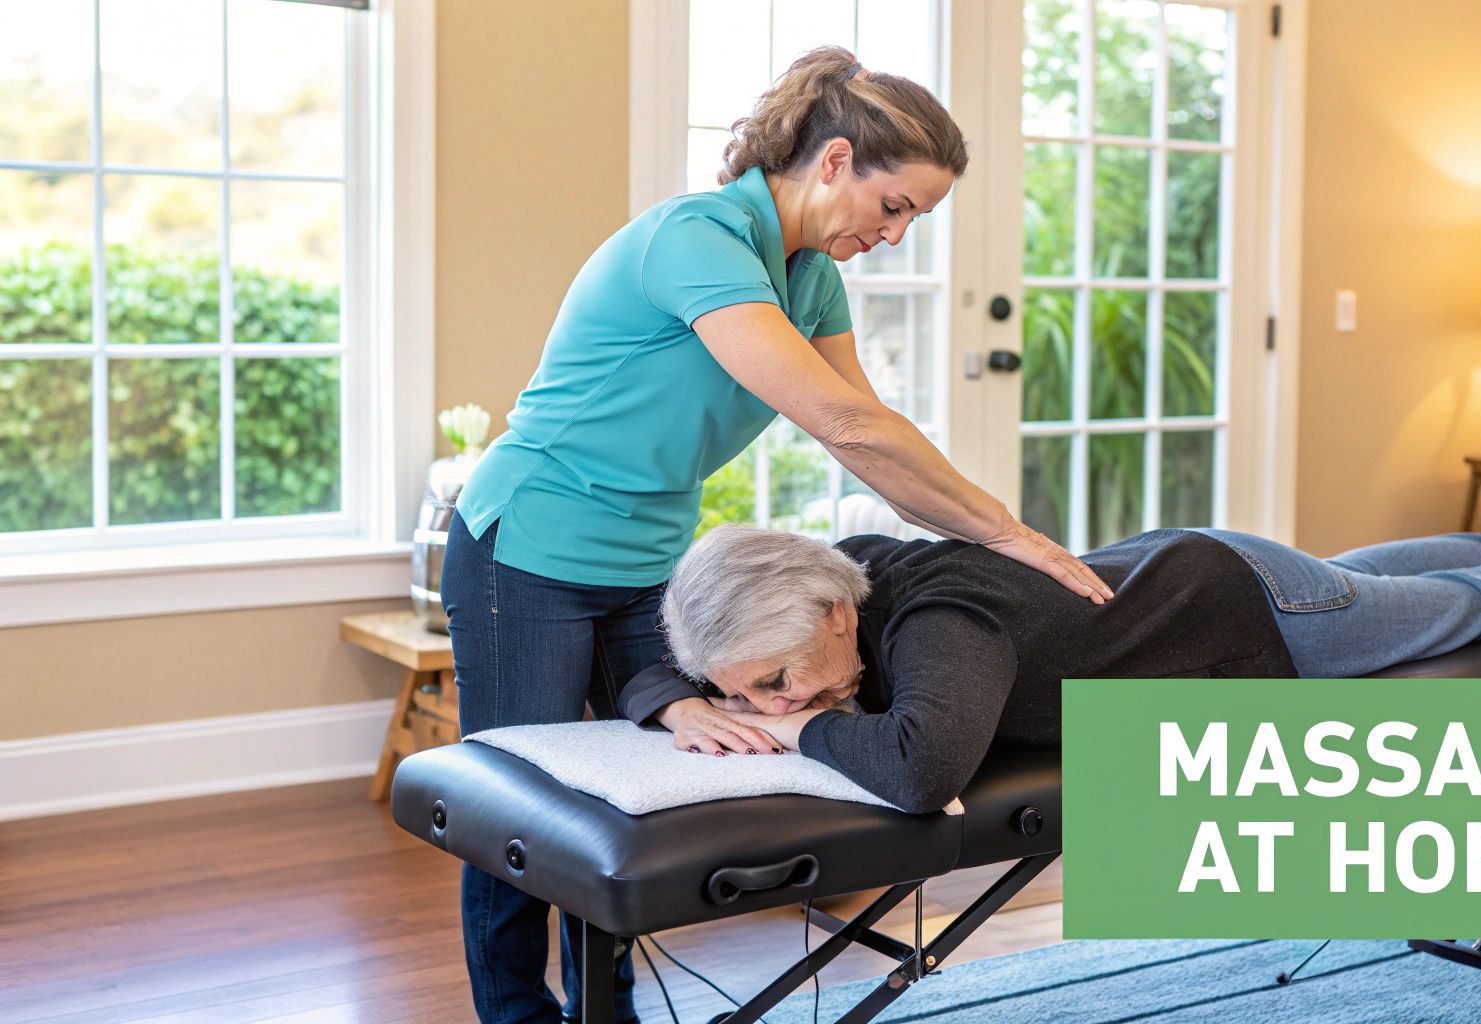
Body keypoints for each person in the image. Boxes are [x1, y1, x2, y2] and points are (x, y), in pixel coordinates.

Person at [438, 46, 1114, 1024]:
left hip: (649, 560)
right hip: (527, 545)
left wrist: (994, 541)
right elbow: (841, 424)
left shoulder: (809, 282)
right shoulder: (697, 240)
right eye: (894, 208)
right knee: (524, 812)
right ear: (835, 160)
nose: (894, 235)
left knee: (642, 791)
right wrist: (1009, 534)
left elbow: (868, 439)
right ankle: (516, 1015)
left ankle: (609, 1011)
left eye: (913, 220)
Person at [620, 510, 1481, 815]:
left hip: (1240, 613)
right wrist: (683, 701)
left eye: (773, 676)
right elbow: (700, 662)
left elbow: (921, 771)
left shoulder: (935, 623)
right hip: (1194, 569)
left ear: (825, 614)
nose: (769, 701)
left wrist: (802, 727)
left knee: (1445, 612)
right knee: (1380, 581)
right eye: (746, 690)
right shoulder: (844, 571)